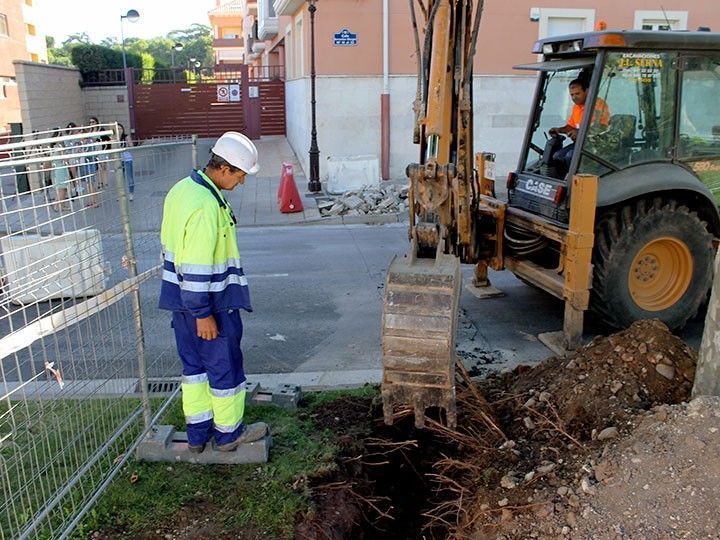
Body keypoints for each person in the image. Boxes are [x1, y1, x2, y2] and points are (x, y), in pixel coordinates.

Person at [159, 131, 267, 453]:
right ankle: (228, 434)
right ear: (224, 169)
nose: (242, 183)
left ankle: (197, 436)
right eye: (240, 176)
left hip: (182, 304)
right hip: (209, 306)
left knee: (194, 371)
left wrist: (192, 310)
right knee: (225, 370)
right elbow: (196, 266)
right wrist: (203, 314)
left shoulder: (182, 190)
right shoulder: (206, 206)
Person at [549, 77, 610, 177]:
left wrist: (579, 132)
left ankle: (575, 182)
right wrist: (558, 130)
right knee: (557, 156)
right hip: (580, 143)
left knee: (570, 156)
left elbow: (601, 127)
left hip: (595, 145)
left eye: (577, 94)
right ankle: (563, 181)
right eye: (572, 95)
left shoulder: (598, 105)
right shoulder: (576, 107)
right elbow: (571, 126)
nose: (574, 97)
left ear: (587, 91)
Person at [117, 123, 135, 200]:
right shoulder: (114, 138)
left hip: (127, 159)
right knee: (120, 178)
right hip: (118, 160)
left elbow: (132, 146)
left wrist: (127, 145)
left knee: (129, 177)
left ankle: (131, 193)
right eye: (117, 129)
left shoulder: (126, 137)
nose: (119, 130)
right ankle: (121, 195)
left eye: (120, 128)